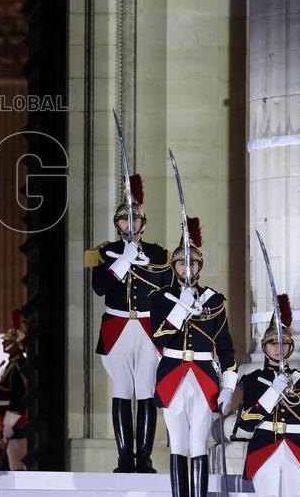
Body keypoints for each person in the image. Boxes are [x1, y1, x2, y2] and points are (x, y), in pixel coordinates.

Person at [86, 174, 172, 472]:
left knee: (147, 389)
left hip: (149, 329)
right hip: (117, 327)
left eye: (135, 220)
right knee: (122, 388)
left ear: (143, 223)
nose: (130, 225)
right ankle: (124, 458)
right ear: (117, 223)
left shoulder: (160, 254)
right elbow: (99, 288)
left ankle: (144, 458)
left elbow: (168, 294)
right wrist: (122, 260)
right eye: (125, 220)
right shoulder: (105, 252)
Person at [149, 217, 236, 497]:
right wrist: (180, 308)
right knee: (178, 444)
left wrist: (230, 385)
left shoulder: (214, 301)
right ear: (174, 267)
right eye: (183, 263)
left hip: (203, 375)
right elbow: (159, 338)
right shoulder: (161, 298)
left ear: (199, 266)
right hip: (173, 372)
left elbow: (225, 346)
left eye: (193, 264)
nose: (188, 268)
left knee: (198, 443)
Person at [232, 294, 300, 496]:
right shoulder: (254, 380)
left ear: (290, 348)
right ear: (264, 347)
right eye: (273, 344)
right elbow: (247, 422)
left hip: (297, 449)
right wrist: (273, 391)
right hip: (264, 446)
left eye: (283, 344)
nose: (278, 349)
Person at [0, 308, 28, 471]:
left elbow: (19, 397)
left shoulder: (19, 366)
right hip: (7, 421)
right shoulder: (10, 365)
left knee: (18, 468)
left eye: (6, 340)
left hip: (15, 424)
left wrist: (9, 424)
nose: (3, 343)